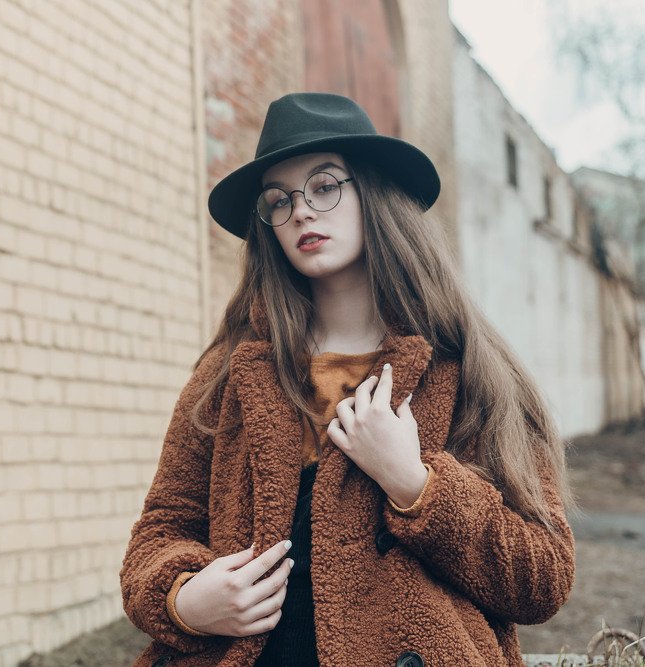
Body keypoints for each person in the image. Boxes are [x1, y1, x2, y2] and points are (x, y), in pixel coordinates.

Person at [119, 93, 576, 667]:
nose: (302, 212)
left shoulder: (469, 370)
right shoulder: (229, 373)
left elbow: (543, 576)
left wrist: (415, 484)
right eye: (278, 200)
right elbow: (159, 533)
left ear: (373, 193)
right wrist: (185, 601)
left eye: (324, 186)